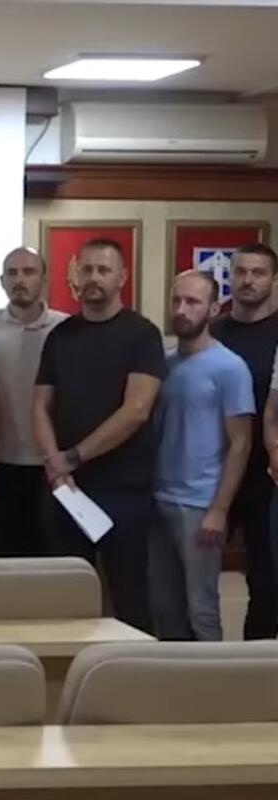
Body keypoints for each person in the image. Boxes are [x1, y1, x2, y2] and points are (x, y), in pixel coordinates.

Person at [34, 238, 165, 633]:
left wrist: (73, 456)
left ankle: (134, 669)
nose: (94, 278)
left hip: (123, 489)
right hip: (68, 490)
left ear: (121, 277)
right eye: (87, 269)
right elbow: (40, 406)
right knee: (66, 598)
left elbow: (136, 410)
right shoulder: (61, 335)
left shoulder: (143, 335)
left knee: (129, 598)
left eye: (103, 270)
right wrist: (56, 465)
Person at [151, 271, 252, 641]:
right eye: (176, 300)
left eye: (192, 302)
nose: (182, 309)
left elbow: (241, 443)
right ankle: (174, 676)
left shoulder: (230, 367)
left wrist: (219, 509)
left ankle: (212, 677)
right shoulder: (163, 364)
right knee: (164, 608)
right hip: (158, 499)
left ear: (213, 308)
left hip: (200, 505)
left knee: (202, 610)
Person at [0, 247, 67, 555]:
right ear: (2, 281)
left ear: (45, 279)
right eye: (12, 273)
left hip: (50, 465)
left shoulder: (66, 329)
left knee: (47, 558)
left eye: (29, 272)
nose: (20, 280)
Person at [210, 242, 278, 640]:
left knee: (266, 578)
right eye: (240, 272)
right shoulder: (212, 331)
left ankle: (255, 658)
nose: (248, 280)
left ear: (273, 280)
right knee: (199, 572)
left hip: (265, 473)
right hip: (213, 468)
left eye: (258, 273)